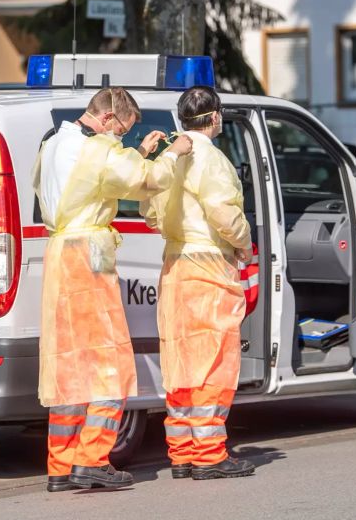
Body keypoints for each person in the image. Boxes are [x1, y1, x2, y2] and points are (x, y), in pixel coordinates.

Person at [33, 87, 193, 491]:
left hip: (60, 253)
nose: (120, 137)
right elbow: (146, 181)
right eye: (121, 129)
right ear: (106, 119)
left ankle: (61, 465)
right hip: (89, 255)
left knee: (68, 365)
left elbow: (99, 177)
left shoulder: (54, 143)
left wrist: (137, 150)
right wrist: (172, 154)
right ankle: (92, 459)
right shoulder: (101, 149)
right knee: (111, 363)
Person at [140, 86, 256, 479]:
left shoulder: (168, 156)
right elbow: (224, 213)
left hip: (175, 265)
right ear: (216, 116)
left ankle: (182, 453)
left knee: (180, 360)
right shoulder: (213, 160)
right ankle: (209, 455)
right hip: (209, 263)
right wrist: (244, 244)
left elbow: (150, 213)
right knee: (214, 359)